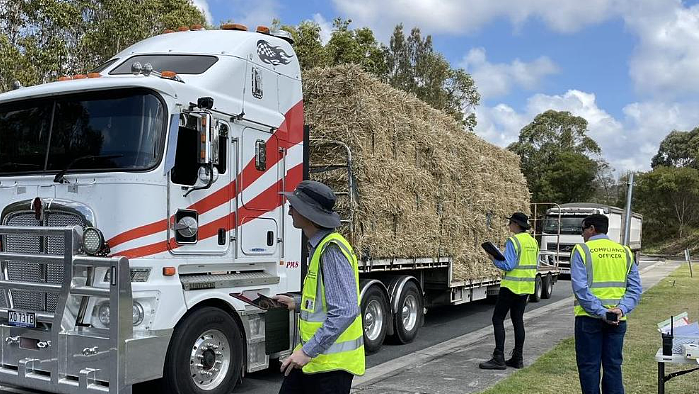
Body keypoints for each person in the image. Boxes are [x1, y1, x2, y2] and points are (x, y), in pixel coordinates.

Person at [273, 180, 365, 394]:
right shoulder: (320, 247)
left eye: (293, 206)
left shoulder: (331, 250)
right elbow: (323, 300)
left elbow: (344, 310)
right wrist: (295, 303)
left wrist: (306, 352)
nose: (289, 211)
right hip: (316, 362)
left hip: (329, 369)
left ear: (308, 213)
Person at [571, 214, 641, 394]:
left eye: (583, 229)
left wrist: (602, 312)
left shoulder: (582, 250)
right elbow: (635, 289)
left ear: (592, 229)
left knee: (589, 368)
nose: (582, 234)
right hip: (618, 319)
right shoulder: (625, 251)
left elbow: (581, 289)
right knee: (613, 366)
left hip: (589, 319)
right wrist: (621, 309)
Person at [479, 212, 539, 370]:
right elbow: (535, 265)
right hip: (526, 287)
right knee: (517, 320)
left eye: (511, 223)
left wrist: (494, 259)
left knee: (497, 319)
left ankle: (498, 357)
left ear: (517, 225)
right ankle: (517, 358)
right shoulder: (533, 242)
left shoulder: (513, 241)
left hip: (510, 287)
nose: (509, 225)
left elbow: (508, 265)